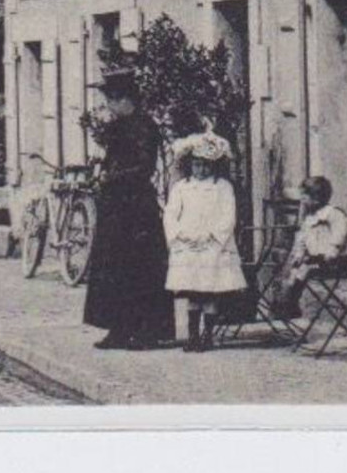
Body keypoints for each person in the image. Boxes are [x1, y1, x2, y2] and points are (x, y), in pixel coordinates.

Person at [81, 66, 173, 350]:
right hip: (115, 208)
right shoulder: (117, 127)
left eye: (111, 99)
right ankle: (118, 328)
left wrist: (112, 178)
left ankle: (147, 331)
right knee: (113, 268)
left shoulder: (145, 127)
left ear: (126, 99)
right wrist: (101, 175)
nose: (108, 105)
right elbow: (112, 160)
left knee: (140, 269)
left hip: (136, 208)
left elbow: (143, 167)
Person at [163, 149, 248, 352]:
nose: (202, 169)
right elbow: (171, 214)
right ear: (189, 165)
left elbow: (229, 216)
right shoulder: (181, 188)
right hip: (188, 244)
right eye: (197, 165)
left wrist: (211, 236)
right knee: (192, 290)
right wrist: (181, 235)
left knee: (209, 290)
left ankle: (207, 335)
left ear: (214, 165)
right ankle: (192, 336)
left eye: (206, 165)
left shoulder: (222, 187)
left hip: (213, 244)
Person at [270, 176, 347, 319]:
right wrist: (298, 254)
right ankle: (286, 303)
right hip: (313, 259)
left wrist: (332, 251)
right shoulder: (309, 217)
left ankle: (289, 303)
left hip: (332, 260)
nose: (302, 199)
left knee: (301, 271)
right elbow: (302, 238)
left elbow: (339, 235)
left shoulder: (333, 214)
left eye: (305, 195)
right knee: (291, 271)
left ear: (316, 198)